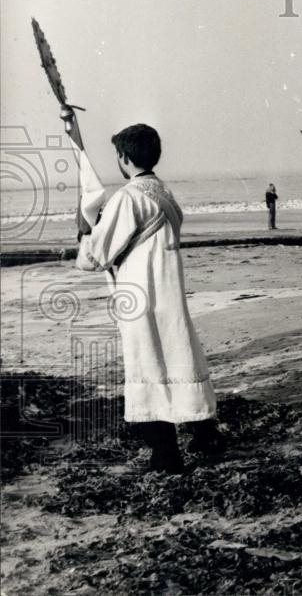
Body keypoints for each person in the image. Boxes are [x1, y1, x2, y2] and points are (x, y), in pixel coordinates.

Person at [74, 123, 221, 473]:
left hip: (142, 290)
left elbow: (95, 255)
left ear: (124, 158)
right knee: (179, 354)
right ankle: (205, 434)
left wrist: (84, 229)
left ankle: (165, 452)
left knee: (150, 361)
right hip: (167, 286)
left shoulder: (128, 196)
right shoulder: (163, 191)